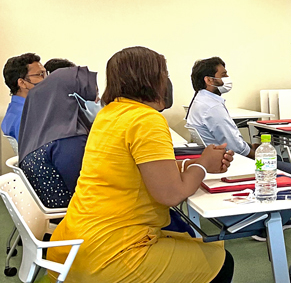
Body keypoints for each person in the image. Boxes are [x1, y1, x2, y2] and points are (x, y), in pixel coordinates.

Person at [48, 46, 235, 283]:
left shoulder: (108, 114)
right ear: (149, 78)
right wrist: (202, 165)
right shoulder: (147, 120)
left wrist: (194, 163)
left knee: (198, 245)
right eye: (163, 73)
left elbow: (137, 170)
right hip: (110, 256)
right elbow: (171, 194)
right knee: (219, 260)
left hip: (72, 247)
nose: (166, 81)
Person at [186, 56, 291, 235]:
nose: (227, 79)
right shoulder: (211, 107)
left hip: (220, 155)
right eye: (223, 74)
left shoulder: (202, 100)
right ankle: (269, 225)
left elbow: (230, 138)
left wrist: (252, 147)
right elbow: (235, 147)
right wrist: (252, 150)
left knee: (272, 157)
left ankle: (267, 212)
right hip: (230, 160)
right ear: (209, 80)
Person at [17, 64, 97, 208]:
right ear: (71, 98)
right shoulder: (68, 138)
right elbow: (85, 189)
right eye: (91, 95)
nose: (97, 101)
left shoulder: (40, 130)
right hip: (68, 215)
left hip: (46, 209)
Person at [1, 53, 46, 143]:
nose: (46, 78)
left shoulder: (14, 110)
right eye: (40, 74)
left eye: (45, 73)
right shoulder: (28, 115)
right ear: (22, 82)